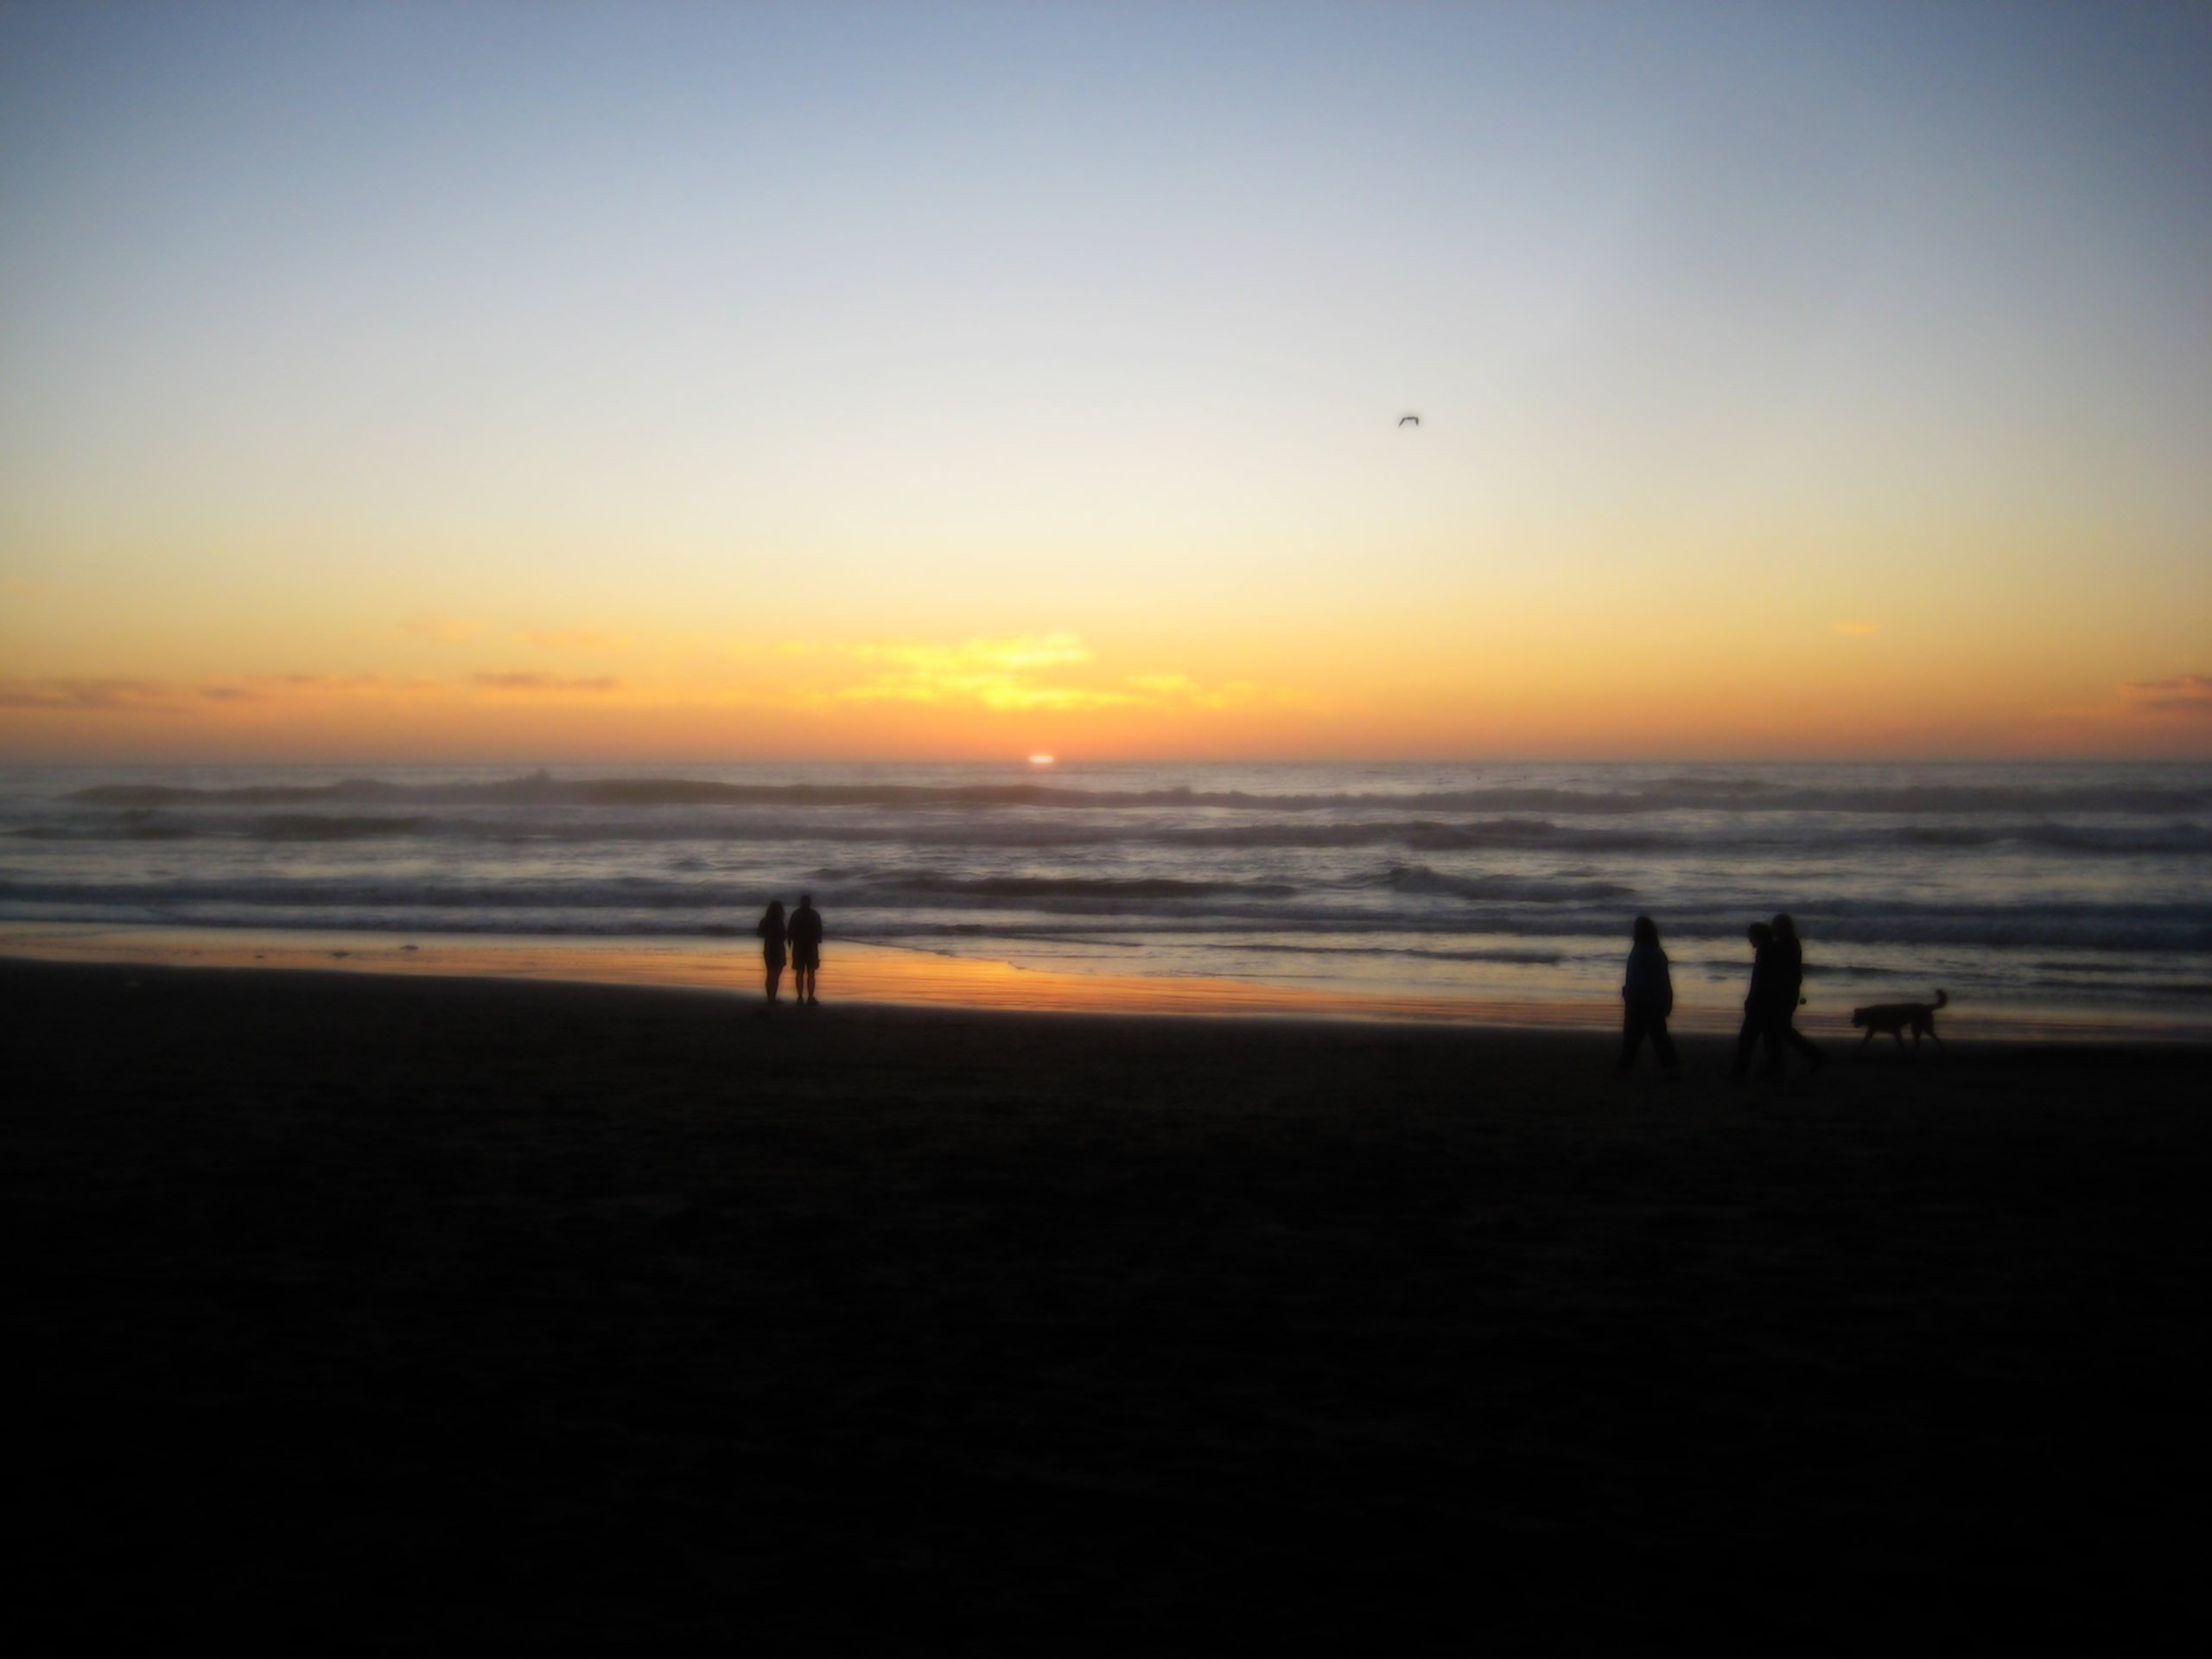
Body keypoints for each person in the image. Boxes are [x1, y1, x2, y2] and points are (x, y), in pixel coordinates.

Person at [1618, 915, 1679, 1076]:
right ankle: (1671, 1069)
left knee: (1633, 1038)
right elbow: (1663, 981)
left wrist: (1629, 996)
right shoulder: (1657, 951)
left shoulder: (1640, 952)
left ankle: (1624, 1069)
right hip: (1655, 1002)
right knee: (1659, 1037)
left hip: (1641, 1002)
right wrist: (1667, 1001)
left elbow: (1636, 980)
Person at [1766, 913, 1827, 1071]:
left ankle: (1814, 1055)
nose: (1773, 929)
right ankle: (1778, 1064)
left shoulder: (1785, 945)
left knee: (1780, 1029)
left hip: (1783, 993)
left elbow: (1785, 972)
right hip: (1789, 992)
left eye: (1775, 926)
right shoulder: (1791, 943)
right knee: (1780, 1029)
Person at [1731, 920, 1777, 1080]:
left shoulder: (1764, 953)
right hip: (1769, 1003)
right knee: (1770, 1039)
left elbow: (1760, 982)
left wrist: (1751, 1000)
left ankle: (1738, 1073)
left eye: (1751, 937)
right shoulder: (1770, 951)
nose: (1750, 940)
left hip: (1760, 1003)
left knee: (1747, 1039)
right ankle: (1773, 1071)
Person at [788, 893, 823, 1006]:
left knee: (800, 972)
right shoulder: (814, 914)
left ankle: (800, 997)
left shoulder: (796, 914)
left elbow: (790, 930)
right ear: (810, 902)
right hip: (811, 946)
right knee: (811, 973)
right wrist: (818, 939)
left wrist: (790, 941)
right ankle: (810, 997)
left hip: (799, 946)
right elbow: (819, 931)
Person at [755, 899, 788, 1005]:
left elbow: (759, 933)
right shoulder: (779, 921)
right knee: (776, 974)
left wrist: (769, 935)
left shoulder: (765, 920)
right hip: (778, 947)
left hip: (768, 947)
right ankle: (773, 997)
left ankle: (770, 997)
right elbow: (783, 936)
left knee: (770, 973)